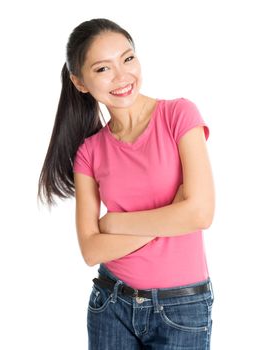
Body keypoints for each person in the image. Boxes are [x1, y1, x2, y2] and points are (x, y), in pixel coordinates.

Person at [37, 18, 215, 350]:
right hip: (111, 303)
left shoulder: (179, 115)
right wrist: (171, 216)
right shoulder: (89, 151)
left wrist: (116, 223)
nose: (122, 77)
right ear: (79, 82)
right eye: (103, 69)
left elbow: (201, 214)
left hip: (182, 309)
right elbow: (91, 249)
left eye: (128, 58)